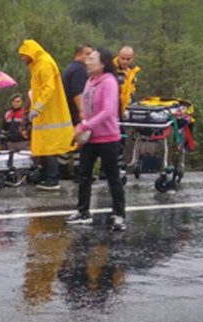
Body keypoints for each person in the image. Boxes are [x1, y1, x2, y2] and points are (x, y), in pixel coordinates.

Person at [65, 48, 127, 232]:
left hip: (107, 138)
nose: (88, 62)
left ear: (103, 63)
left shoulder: (109, 82)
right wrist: (82, 128)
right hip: (90, 138)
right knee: (83, 175)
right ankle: (83, 212)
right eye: (88, 59)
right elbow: (87, 108)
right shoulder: (90, 81)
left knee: (112, 177)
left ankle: (119, 214)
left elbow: (108, 111)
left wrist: (85, 126)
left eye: (92, 59)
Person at [19, 39, 76, 190]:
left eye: (24, 55)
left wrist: (37, 107)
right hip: (44, 114)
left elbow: (48, 88)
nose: (23, 58)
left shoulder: (44, 64)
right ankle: (46, 177)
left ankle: (52, 179)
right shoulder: (38, 64)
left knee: (49, 147)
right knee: (44, 146)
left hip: (49, 114)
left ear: (31, 53)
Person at [59, 44, 93, 180]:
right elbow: (77, 92)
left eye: (91, 54)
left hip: (66, 111)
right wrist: (82, 111)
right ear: (78, 55)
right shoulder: (79, 70)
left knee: (68, 142)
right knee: (80, 141)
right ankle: (80, 173)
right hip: (74, 111)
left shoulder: (70, 68)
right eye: (87, 53)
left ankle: (63, 170)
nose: (90, 56)